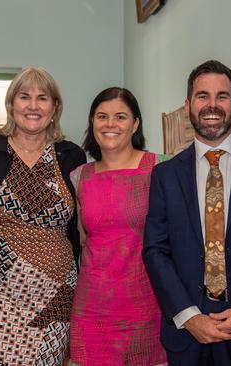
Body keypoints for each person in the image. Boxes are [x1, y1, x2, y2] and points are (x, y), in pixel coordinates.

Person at [143, 60, 231, 365]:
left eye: (221, 96)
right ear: (188, 105)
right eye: (202, 96)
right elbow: (155, 251)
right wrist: (189, 316)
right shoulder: (165, 175)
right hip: (187, 332)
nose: (212, 105)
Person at [0, 67, 86, 365]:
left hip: (55, 294)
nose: (32, 106)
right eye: (24, 96)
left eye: (42, 98)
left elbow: (81, 226)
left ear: (55, 108)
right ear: (10, 105)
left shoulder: (72, 155)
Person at [68, 87, 168, 365]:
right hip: (91, 311)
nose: (110, 124)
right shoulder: (79, 177)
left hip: (148, 309)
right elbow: (81, 241)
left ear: (135, 123)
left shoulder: (161, 168)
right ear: (92, 123)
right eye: (102, 116)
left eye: (120, 116)